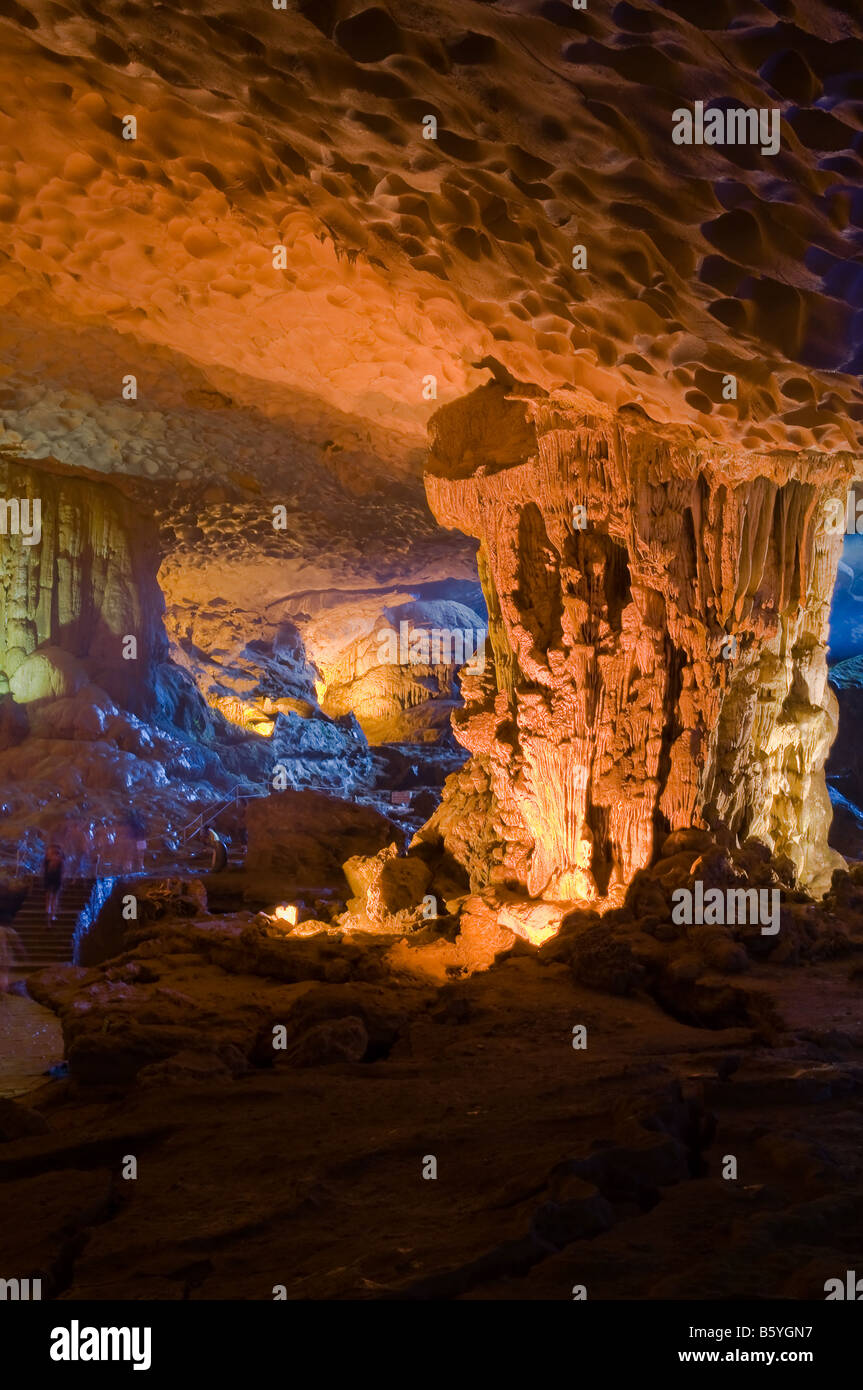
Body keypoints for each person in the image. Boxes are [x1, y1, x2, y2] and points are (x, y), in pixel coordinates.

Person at [43, 843, 65, 922]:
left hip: (48, 878)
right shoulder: (60, 859)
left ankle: (47, 911)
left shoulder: (48, 858)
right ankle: (52, 915)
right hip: (57, 878)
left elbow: (44, 869)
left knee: (48, 896)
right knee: (55, 897)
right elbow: (62, 870)